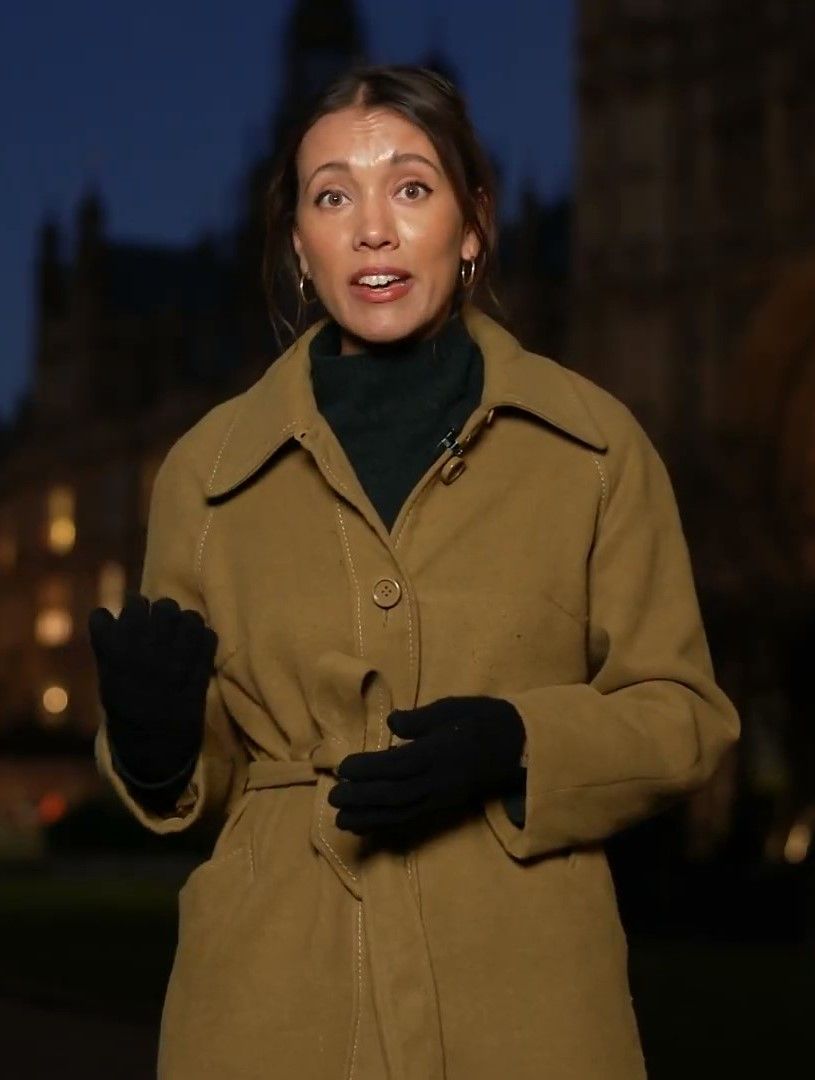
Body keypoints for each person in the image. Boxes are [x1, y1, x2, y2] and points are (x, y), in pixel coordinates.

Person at [89, 65, 740, 1080]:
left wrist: (518, 744)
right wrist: (154, 750)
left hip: (527, 1007)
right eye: (331, 197)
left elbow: (682, 715)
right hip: (269, 1008)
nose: (372, 229)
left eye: (410, 187)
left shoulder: (594, 446)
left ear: (473, 224)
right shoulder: (204, 471)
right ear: (297, 245)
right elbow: (200, 775)